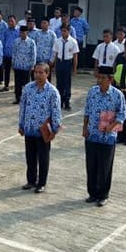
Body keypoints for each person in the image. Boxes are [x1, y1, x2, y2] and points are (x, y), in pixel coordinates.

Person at [82, 65, 126, 207]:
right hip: (92, 135)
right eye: (99, 77)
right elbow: (87, 111)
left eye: (103, 78)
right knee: (91, 165)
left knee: (105, 167)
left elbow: (122, 114)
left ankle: (103, 195)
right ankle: (92, 193)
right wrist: (85, 128)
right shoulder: (92, 92)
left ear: (110, 79)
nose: (99, 80)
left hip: (108, 137)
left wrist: (112, 126)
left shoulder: (117, 95)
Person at [18, 62, 62, 193]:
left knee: (43, 158)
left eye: (41, 72)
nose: (37, 75)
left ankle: (41, 183)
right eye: (36, 72)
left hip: (43, 131)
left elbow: (56, 111)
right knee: (30, 157)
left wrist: (55, 129)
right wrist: (21, 124)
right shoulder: (28, 88)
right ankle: (31, 180)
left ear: (47, 74)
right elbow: (22, 107)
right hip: (29, 128)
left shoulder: (52, 91)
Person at [53, 24, 79, 110]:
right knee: (59, 83)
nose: (63, 33)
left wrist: (74, 68)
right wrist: (55, 66)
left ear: (69, 31)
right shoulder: (58, 41)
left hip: (68, 63)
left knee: (67, 83)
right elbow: (56, 54)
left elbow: (75, 56)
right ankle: (59, 101)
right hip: (60, 62)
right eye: (62, 31)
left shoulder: (73, 41)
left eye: (65, 31)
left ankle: (67, 102)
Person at [11, 25, 37, 104]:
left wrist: (32, 65)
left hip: (27, 66)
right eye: (21, 32)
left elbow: (33, 54)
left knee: (26, 84)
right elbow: (14, 53)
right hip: (18, 66)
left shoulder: (31, 42)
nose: (22, 34)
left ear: (27, 32)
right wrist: (13, 63)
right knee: (17, 84)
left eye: (23, 32)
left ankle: (26, 99)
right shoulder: (16, 41)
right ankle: (17, 98)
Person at [0, 15, 18, 92]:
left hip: (15, 55)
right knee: (6, 71)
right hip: (7, 54)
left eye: (12, 21)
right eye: (9, 21)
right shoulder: (6, 31)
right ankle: (6, 86)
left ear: (15, 21)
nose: (10, 23)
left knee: (16, 72)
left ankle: (17, 87)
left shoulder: (18, 31)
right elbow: (3, 42)